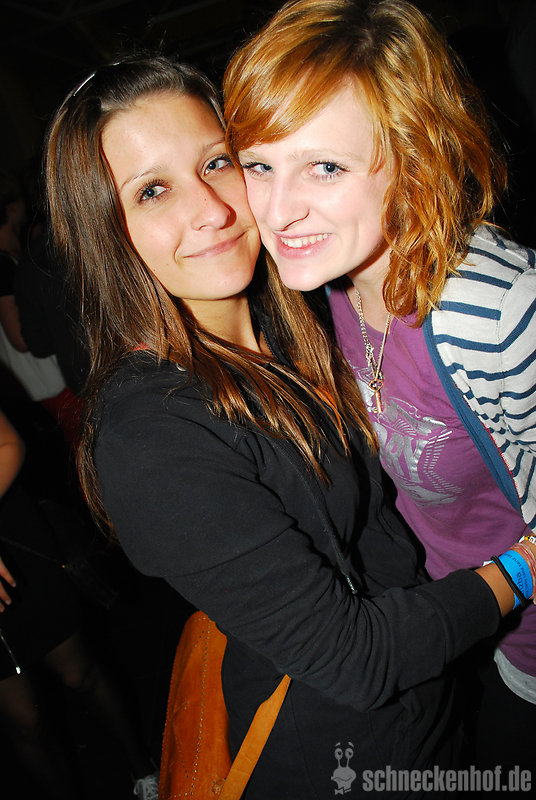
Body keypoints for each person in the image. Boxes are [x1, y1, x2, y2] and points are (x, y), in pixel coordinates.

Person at [44, 54, 536, 799]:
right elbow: (356, 660)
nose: (211, 210)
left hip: (440, 703)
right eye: (152, 190)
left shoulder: (296, 316)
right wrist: (522, 566)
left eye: (216, 162)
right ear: (104, 233)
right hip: (350, 757)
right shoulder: (151, 436)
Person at [222, 0, 536, 778]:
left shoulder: (494, 311)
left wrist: (508, 584)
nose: (278, 211)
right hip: (443, 624)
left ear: (414, 157)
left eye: (325, 167)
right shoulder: (325, 285)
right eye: (259, 164)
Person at [0, 404, 158, 799]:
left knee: (78, 673)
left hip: (13, 541)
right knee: (24, 720)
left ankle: (142, 768)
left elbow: (8, 444)